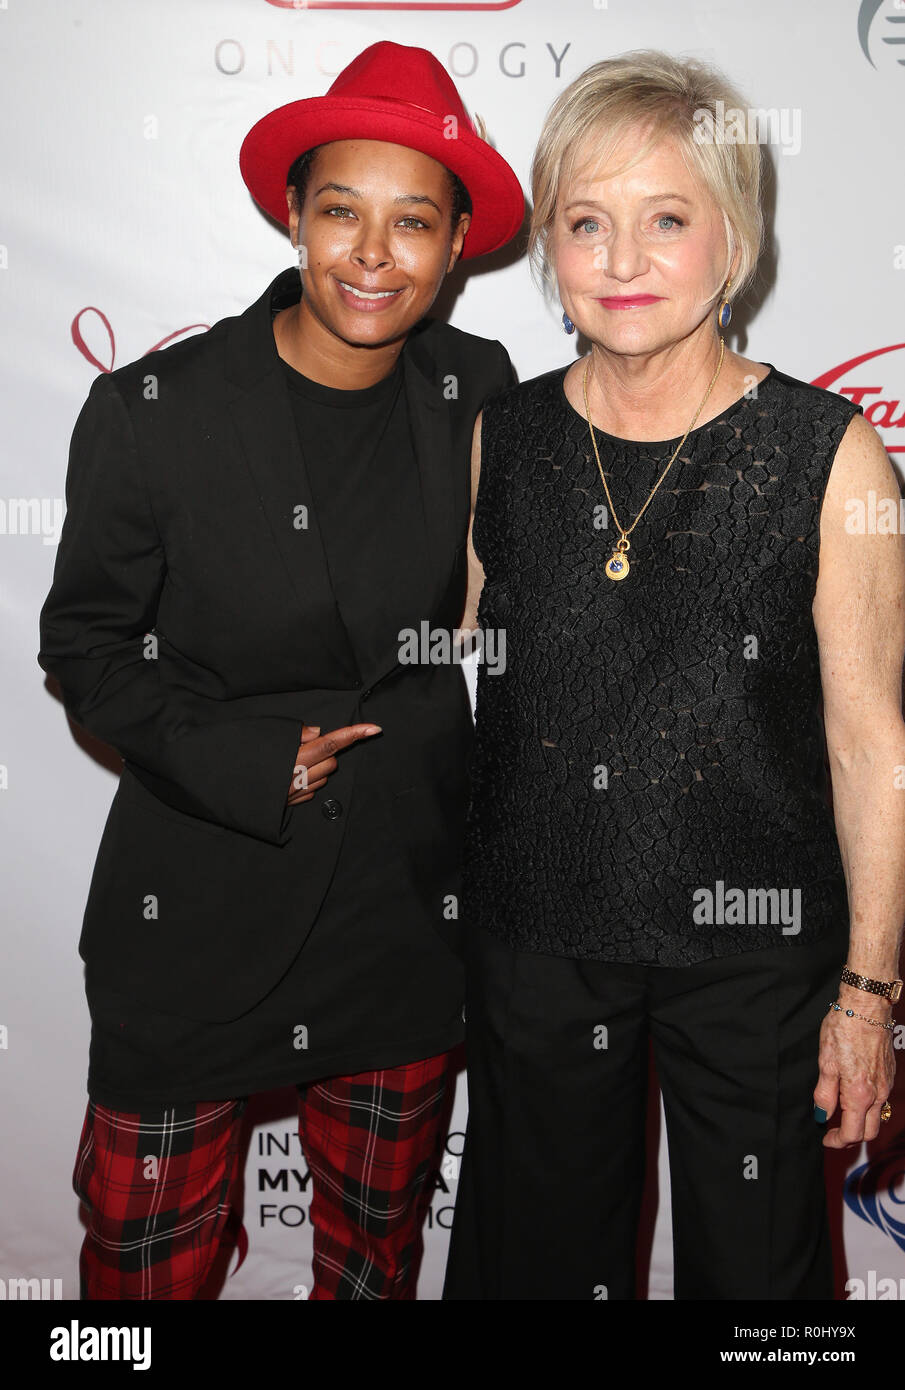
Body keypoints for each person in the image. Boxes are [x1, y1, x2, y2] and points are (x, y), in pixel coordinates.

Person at [38, 40, 523, 1300]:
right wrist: (246, 759)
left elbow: (496, 610)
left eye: (411, 220)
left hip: (402, 920)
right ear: (293, 218)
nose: (373, 253)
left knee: (372, 1264)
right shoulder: (152, 410)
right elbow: (83, 644)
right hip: (198, 899)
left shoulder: (478, 387)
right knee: (142, 1276)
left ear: (456, 243)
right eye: (342, 213)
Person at [443, 49, 904, 1300]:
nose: (622, 261)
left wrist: (867, 990)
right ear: (548, 245)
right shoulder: (507, 436)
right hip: (537, 929)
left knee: (760, 1288)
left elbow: (870, 743)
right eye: (585, 224)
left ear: (734, 240)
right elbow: (452, 693)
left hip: (754, 946)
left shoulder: (827, 454)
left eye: (664, 220)